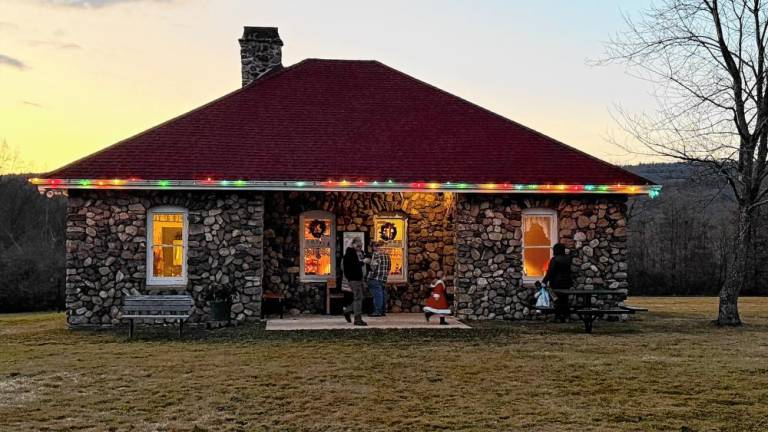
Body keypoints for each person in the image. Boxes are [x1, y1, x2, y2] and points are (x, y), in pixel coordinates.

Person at [542, 243, 572, 323]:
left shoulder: (554, 259)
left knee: (557, 300)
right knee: (565, 300)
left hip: (556, 283)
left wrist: (544, 281)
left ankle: (558, 317)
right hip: (566, 283)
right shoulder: (568, 259)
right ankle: (566, 317)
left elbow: (550, 272)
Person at [342, 237, 368, 326]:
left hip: (359, 278)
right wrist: (363, 261)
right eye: (358, 245)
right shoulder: (350, 254)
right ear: (353, 244)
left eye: (361, 246)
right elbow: (354, 265)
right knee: (358, 298)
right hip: (353, 278)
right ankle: (357, 319)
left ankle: (347, 310)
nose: (360, 247)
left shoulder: (359, 253)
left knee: (361, 297)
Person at [366, 241, 391, 317]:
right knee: (383, 294)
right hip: (383, 278)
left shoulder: (376, 255)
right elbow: (389, 267)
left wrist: (368, 262)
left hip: (375, 277)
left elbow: (373, 267)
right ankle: (383, 310)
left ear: (374, 247)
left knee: (377, 295)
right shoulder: (387, 255)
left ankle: (377, 311)